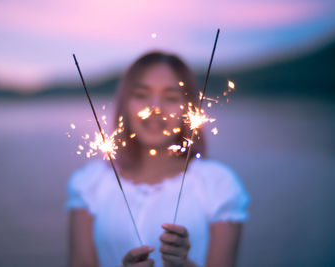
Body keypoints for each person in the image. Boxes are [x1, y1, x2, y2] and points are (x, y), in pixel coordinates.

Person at [66, 51, 250, 267]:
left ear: (189, 108)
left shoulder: (218, 185)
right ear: (124, 104)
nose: (155, 109)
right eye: (141, 95)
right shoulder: (90, 184)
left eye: (171, 97)